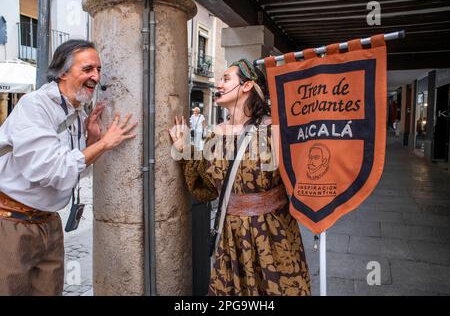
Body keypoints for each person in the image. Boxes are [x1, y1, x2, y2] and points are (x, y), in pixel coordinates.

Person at [0, 39, 137, 295]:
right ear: (62, 72)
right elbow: (51, 170)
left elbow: (76, 172)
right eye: (87, 69)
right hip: (10, 224)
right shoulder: (35, 106)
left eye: (98, 70)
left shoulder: (78, 114)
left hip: (49, 224)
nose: (95, 77)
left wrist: (93, 140)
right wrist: (105, 144)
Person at [169, 58, 310, 296]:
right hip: (231, 234)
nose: (219, 85)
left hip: (273, 233)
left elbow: (300, 174)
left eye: (226, 79)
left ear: (246, 86)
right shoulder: (214, 136)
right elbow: (208, 185)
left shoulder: (273, 130)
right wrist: (184, 148)